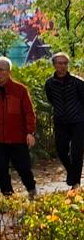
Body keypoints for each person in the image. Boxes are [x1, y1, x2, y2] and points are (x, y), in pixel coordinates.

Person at [0, 57, 37, 199]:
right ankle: (8, 197)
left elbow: (29, 113)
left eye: (1, 70)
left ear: (9, 71)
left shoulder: (20, 90)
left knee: (23, 168)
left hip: (18, 137)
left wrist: (30, 132)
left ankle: (32, 190)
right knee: (0, 170)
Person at [44, 52, 84, 189]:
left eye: (65, 63)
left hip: (78, 121)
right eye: (59, 63)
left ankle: (76, 182)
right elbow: (51, 99)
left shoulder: (78, 82)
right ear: (54, 65)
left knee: (76, 152)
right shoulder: (49, 83)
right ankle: (72, 172)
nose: (62, 66)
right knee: (61, 150)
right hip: (60, 121)